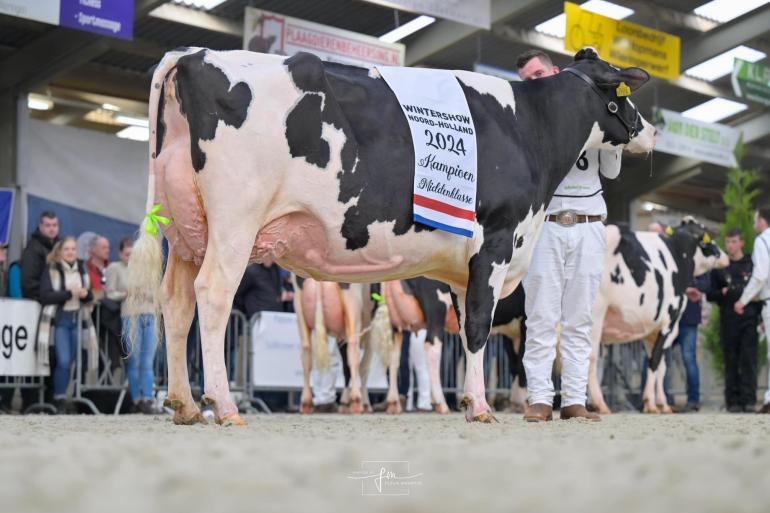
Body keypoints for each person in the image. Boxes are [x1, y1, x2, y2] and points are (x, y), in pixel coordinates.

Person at [517, 49, 623, 422]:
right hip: (545, 224)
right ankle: (541, 398)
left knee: (580, 319)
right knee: (540, 316)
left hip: (591, 222)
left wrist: (612, 127)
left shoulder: (589, 109)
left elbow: (610, 172)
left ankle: (574, 400)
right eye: (528, 77)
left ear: (556, 71)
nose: (535, 80)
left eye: (539, 72)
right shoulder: (524, 119)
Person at [706, 229, 761, 413]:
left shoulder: (751, 264)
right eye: (728, 242)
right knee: (731, 361)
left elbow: (759, 287)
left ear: (741, 243)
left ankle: (749, 400)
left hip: (749, 319)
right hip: (728, 320)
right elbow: (709, 294)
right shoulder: (720, 267)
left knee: (749, 360)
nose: (730, 245)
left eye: (734, 241)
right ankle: (733, 401)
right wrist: (719, 293)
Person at [37, 237, 94, 413]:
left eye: (73, 249)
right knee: (62, 360)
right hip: (60, 320)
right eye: (67, 249)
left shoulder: (82, 270)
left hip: (78, 320)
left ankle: (64, 397)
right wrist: (69, 294)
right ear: (60, 252)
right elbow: (45, 296)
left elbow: (90, 297)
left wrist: (85, 295)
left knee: (72, 362)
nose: (70, 252)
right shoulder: (52, 269)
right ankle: (59, 398)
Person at [106, 237, 159, 414]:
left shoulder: (148, 271)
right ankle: (137, 399)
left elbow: (159, 294)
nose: (131, 257)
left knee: (147, 361)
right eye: (128, 254)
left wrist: (147, 293)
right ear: (121, 254)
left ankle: (148, 398)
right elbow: (110, 293)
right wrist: (125, 293)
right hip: (130, 316)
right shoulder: (115, 268)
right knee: (134, 360)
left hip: (149, 315)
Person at [734, 208, 770, 413]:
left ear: (762, 221)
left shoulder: (762, 241)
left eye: (756, 219)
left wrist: (743, 300)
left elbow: (760, 275)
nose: (754, 222)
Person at [665, 275, 709, 412]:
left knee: (689, 359)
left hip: (687, 317)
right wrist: (688, 286)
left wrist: (687, 286)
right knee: (658, 359)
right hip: (667, 319)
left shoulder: (695, 258)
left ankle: (693, 400)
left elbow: (706, 284)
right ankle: (659, 398)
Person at [21, 211, 59, 300]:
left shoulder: (60, 247)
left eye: (54, 225)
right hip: (39, 302)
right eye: (48, 225)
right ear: (40, 227)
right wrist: (49, 296)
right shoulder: (33, 248)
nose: (52, 229)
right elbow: (28, 282)